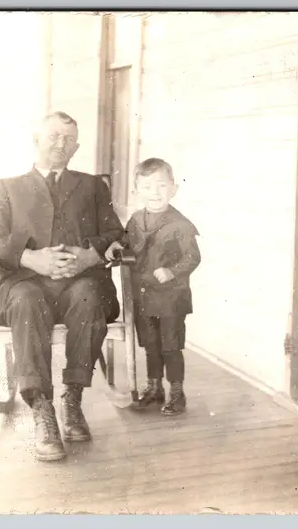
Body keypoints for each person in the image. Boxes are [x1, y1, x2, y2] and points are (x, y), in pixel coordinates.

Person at [0, 111, 123, 462]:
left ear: (77, 148)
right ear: (36, 140)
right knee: (26, 299)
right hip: (25, 283)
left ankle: (73, 399)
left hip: (79, 282)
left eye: (68, 139)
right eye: (54, 136)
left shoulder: (92, 187)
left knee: (89, 296)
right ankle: (42, 408)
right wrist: (29, 258)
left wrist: (89, 256)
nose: (61, 144)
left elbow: (116, 233)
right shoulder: (7, 188)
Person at [105, 158, 201, 416]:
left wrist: (172, 271)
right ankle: (154, 388)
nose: (155, 193)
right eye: (147, 187)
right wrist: (116, 248)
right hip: (144, 296)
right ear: (136, 191)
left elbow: (193, 257)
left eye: (161, 186)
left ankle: (177, 393)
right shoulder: (136, 220)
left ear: (173, 189)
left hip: (171, 299)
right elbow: (126, 245)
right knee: (150, 345)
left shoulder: (181, 225)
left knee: (170, 346)